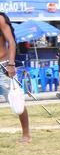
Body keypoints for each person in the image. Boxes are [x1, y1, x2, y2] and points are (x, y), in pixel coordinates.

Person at [0, 12, 31, 142]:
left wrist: (11, 64)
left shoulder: (0, 19)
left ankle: (26, 134)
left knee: (17, 101)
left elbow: (11, 42)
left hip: (3, 66)